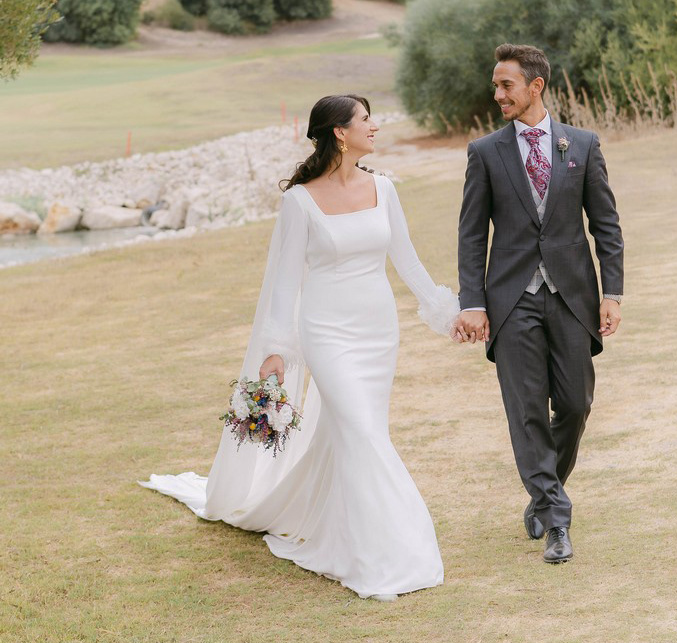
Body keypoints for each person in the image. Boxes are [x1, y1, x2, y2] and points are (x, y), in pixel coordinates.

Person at [139, 94, 460, 601]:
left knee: (358, 432)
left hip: (378, 331)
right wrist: (275, 349)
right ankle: (389, 552)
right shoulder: (300, 202)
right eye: (366, 119)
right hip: (327, 332)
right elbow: (285, 282)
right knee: (362, 433)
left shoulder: (384, 188)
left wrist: (447, 313)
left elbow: (408, 261)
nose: (374, 126)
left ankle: (338, 528)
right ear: (339, 132)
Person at [454, 44, 624, 564]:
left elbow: (606, 225)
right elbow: (471, 235)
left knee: (575, 404)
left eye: (506, 85)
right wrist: (472, 302)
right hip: (511, 301)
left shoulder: (583, 144)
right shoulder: (485, 152)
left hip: (572, 297)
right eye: (495, 86)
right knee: (527, 410)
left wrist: (612, 293)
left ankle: (543, 491)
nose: (497, 94)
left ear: (536, 86)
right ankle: (556, 520)